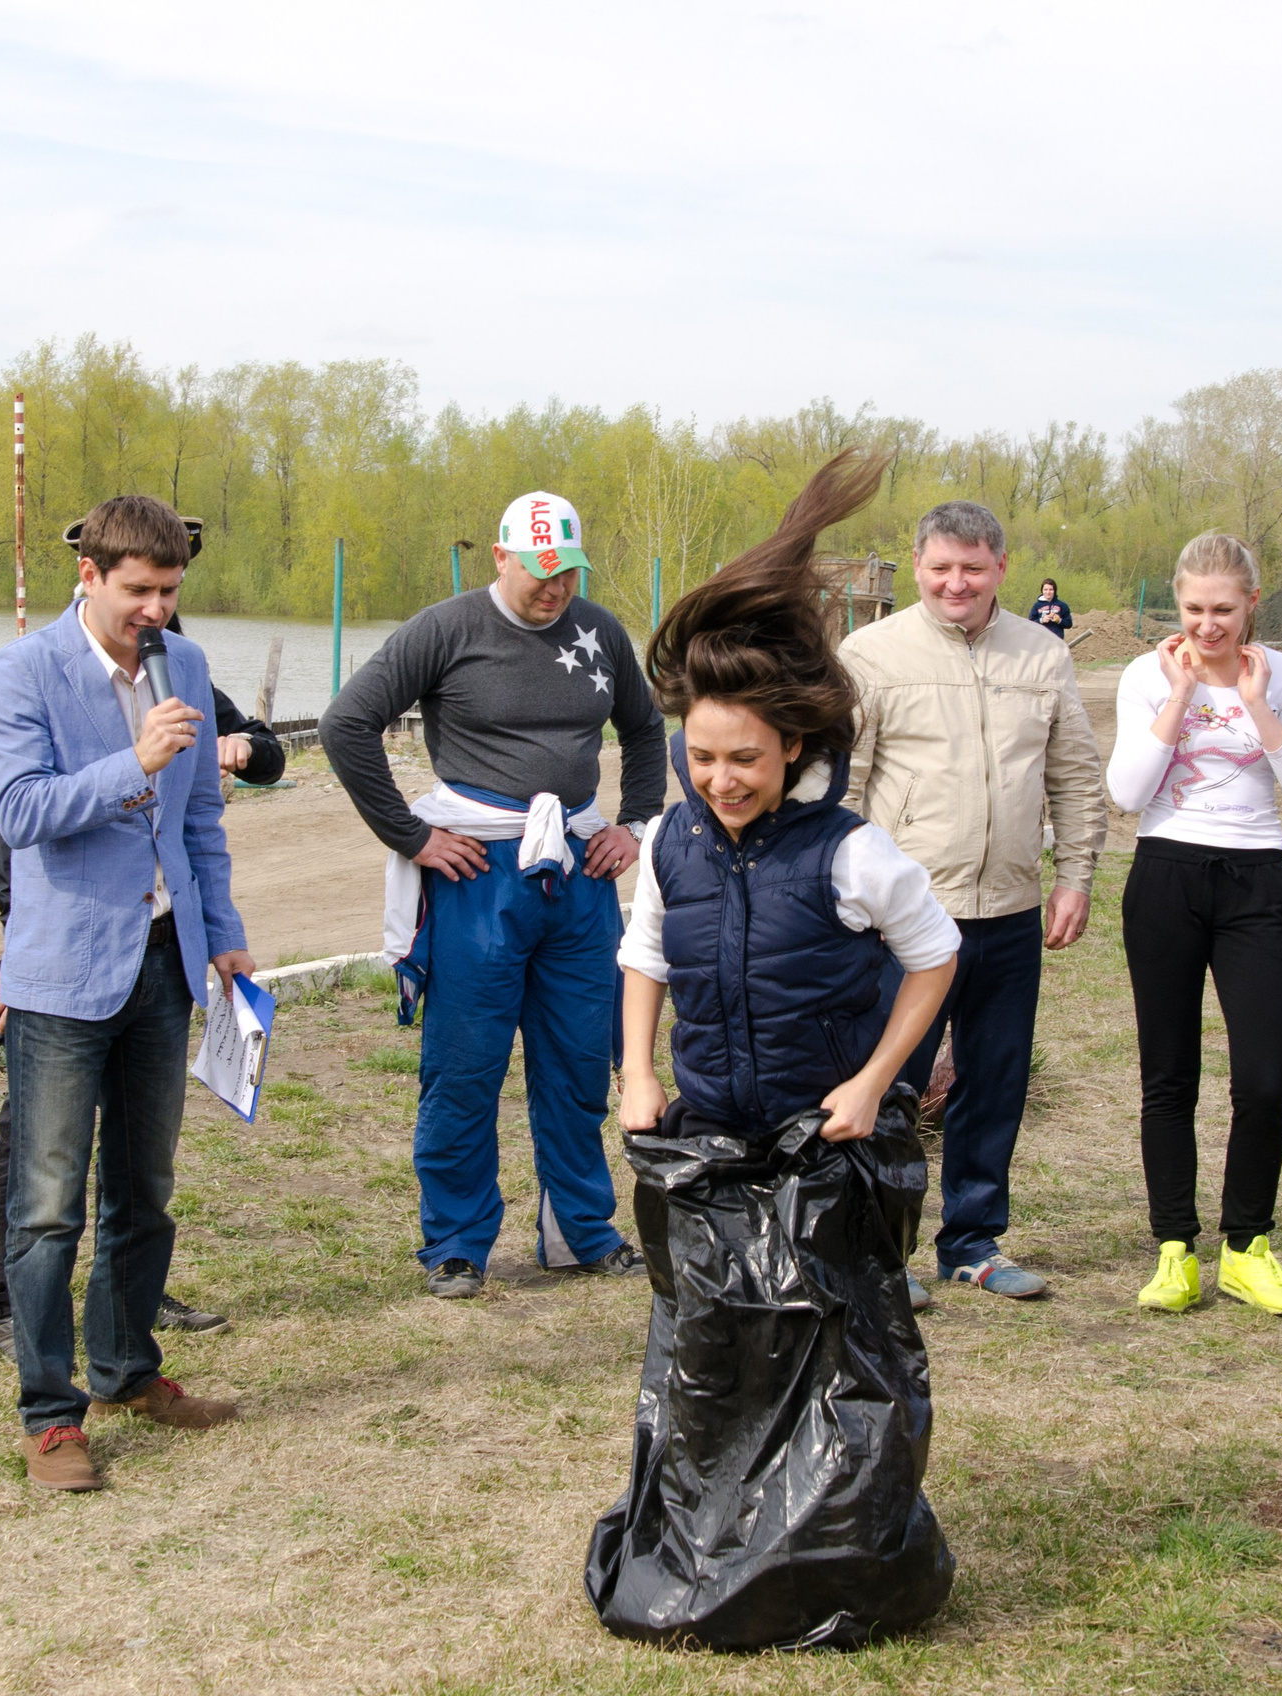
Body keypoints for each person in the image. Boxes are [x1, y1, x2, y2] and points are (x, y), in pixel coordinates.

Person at [597, 450, 959, 1646]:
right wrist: (640, 1072)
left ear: (793, 748)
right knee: (712, 1352)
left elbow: (935, 954)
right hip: (710, 1135)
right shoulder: (673, 844)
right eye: (701, 757)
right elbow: (644, 957)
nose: (719, 778)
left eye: (741, 759)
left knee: (840, 1360)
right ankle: (706, 1545)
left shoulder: (852, 854)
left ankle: (832, 1556)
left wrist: (872, 1082)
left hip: (829, 1152)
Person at [0, 493, 255, 1492]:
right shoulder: (20, 673)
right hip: (59, 975)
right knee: (48, 1207)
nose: (156, 609)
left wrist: (222, 937)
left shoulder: (186, 665)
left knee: (144, 1189)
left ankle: (128, 1369)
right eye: (139, 589)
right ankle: (52, 1417)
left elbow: (203, 820)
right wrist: (130, 766)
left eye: (170, 590)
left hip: (165, 962)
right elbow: (21, 811)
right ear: (87, 576)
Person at [319, 489, 666, 1299]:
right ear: (502, 559)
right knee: (464, 1068)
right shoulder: (446, 628)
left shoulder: (599, 630)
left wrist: (637, 824)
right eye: (541, 574)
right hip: (478, 874)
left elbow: (647, 729)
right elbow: (347, 724)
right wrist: (410, 836)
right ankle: (456, 1243)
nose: (556, 591)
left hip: (577, 875)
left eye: (568, 574)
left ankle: (580, 1230)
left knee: (581, 1060)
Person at [841, 501, 1108, 1303]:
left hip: (1011, 910)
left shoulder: (1042, 655)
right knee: (890, 1085)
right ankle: (877, 1249)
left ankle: (972, 1241)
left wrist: (1077, 874)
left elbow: (1073, 773)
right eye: (941, 567)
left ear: (1000, 569)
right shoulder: (869, 655)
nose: (957, 582)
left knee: (995, 1079)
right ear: (917, 565)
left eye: (974, 567)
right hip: (908, 918)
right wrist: (844, 903)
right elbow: (843, 786)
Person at [1105, 533, 1282, 1315]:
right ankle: (1176, 1250)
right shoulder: (1145, 675)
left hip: (1255, 881)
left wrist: (1258, 705)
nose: (1208, 627)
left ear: (1250, 606)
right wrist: (1177, 696)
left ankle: (1246, 1248)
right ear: (1179, 605)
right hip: (1166, 874)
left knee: (1264, 1081)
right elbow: (1129, 792)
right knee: (1168, 1076)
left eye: (1224, 611)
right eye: (1194, 609)